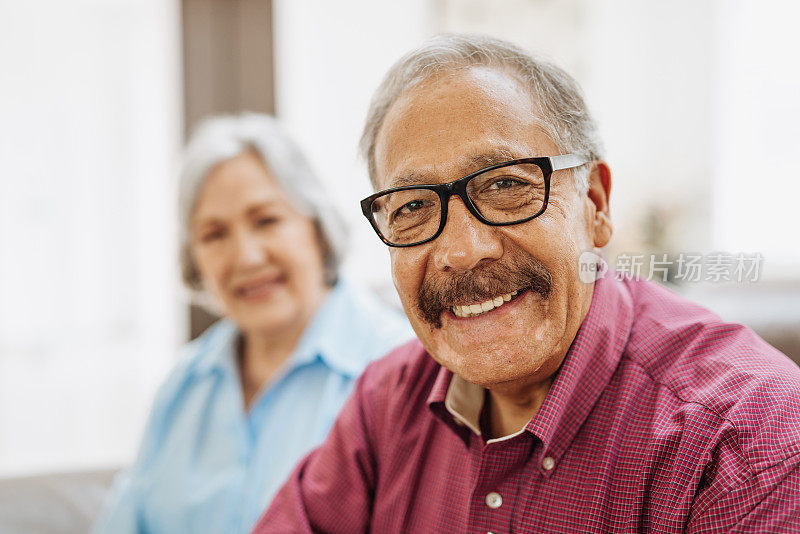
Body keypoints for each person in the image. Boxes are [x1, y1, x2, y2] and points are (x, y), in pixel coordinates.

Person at [253, 35, 800, 533]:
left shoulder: (742, 438)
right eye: (414, 206)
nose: (464, 251)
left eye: (506, 185)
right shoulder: (386, 405)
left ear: (595, 204)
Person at [92, 114, 413, 534]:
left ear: (316, 228)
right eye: (214, 234)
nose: (246, 257)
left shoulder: (401, 370)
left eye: (267, 221)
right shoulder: (183, 385)